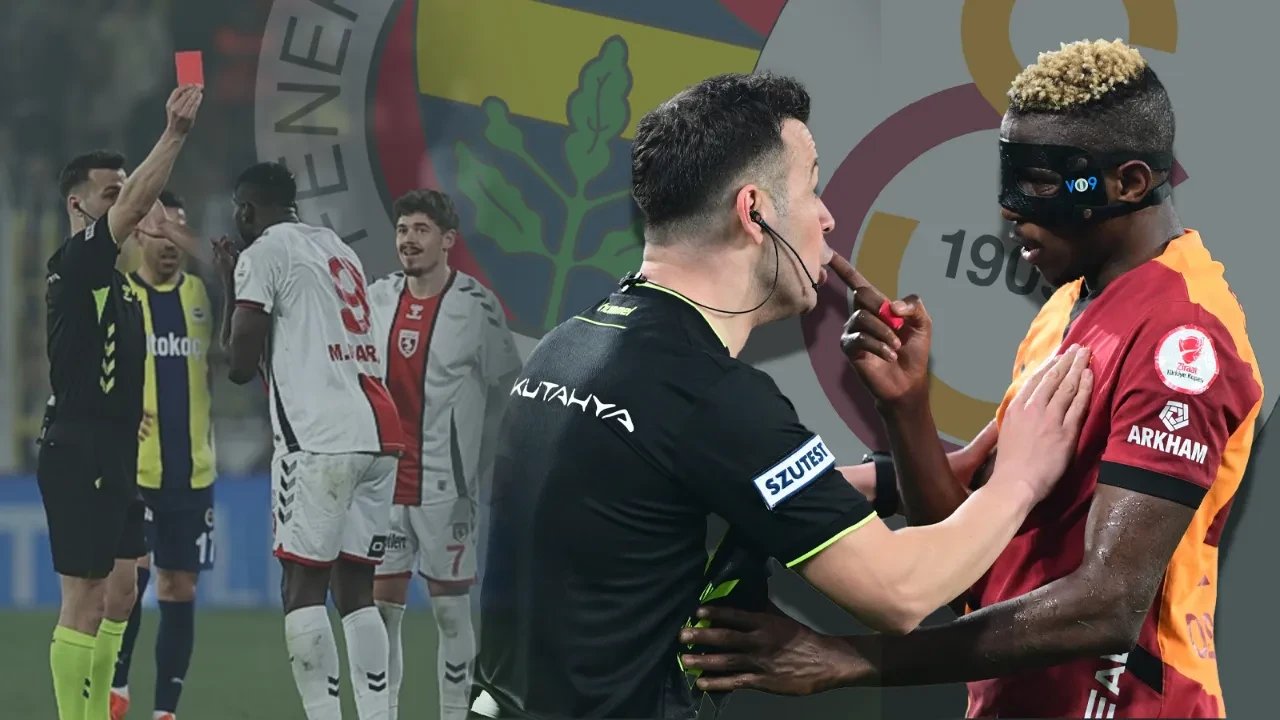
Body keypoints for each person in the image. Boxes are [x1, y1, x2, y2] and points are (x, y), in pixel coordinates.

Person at [466, 72, 1094, 720]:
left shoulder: (576, 342)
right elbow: (899, 592)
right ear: (755, 212)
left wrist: (901, 478)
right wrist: (1020, 477)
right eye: (812, 188)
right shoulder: (710, 394)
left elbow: (701, 480)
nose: (827, 217)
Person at [679, 40, 1264, 720]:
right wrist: (907, 408)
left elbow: (1109, 605)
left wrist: (849, 659)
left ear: (1129, 183)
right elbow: (968, 549)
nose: (1011, 209)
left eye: (1041, 181)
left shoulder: (1184, 341)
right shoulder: (1068, 306)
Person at [216, 161, 403, 720]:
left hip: (320, 438)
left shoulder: (263, 253)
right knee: (356, 590)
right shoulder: (338, 249)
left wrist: (230, 286)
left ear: (247, 210)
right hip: (378, 431)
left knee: (301, 586)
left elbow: (239, 364)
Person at [40, 85, 203, 720]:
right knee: (83, 599)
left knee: (123, 592)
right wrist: (175, 135)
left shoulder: (122, 286)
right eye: (111, 193)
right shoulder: (77, 262)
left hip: (112, 451)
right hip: (79, 451)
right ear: (77, 204)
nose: (125, 202)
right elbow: (135, 207)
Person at [366, 189, 522, 720]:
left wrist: (482, 459)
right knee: (381, 612)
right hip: (385, 486)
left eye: (421, 230)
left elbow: (508, 389)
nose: (408, 240)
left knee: (451, 614)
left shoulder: (476, 306)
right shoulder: (377, 298)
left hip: (446, 488)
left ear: (448, 240)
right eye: (402, 229)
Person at [110, 190, 218, 720]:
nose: (171, 242)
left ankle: (165, 711)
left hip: (193, 471)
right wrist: (116, 412)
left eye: (180, 230)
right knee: (131, 580)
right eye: (159, 230)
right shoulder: (120, 297)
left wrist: (180, 229)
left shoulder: (203, 294)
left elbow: (234, 271)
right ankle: (117, 683)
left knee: (179, 585)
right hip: (136, 470)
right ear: (136, 233)